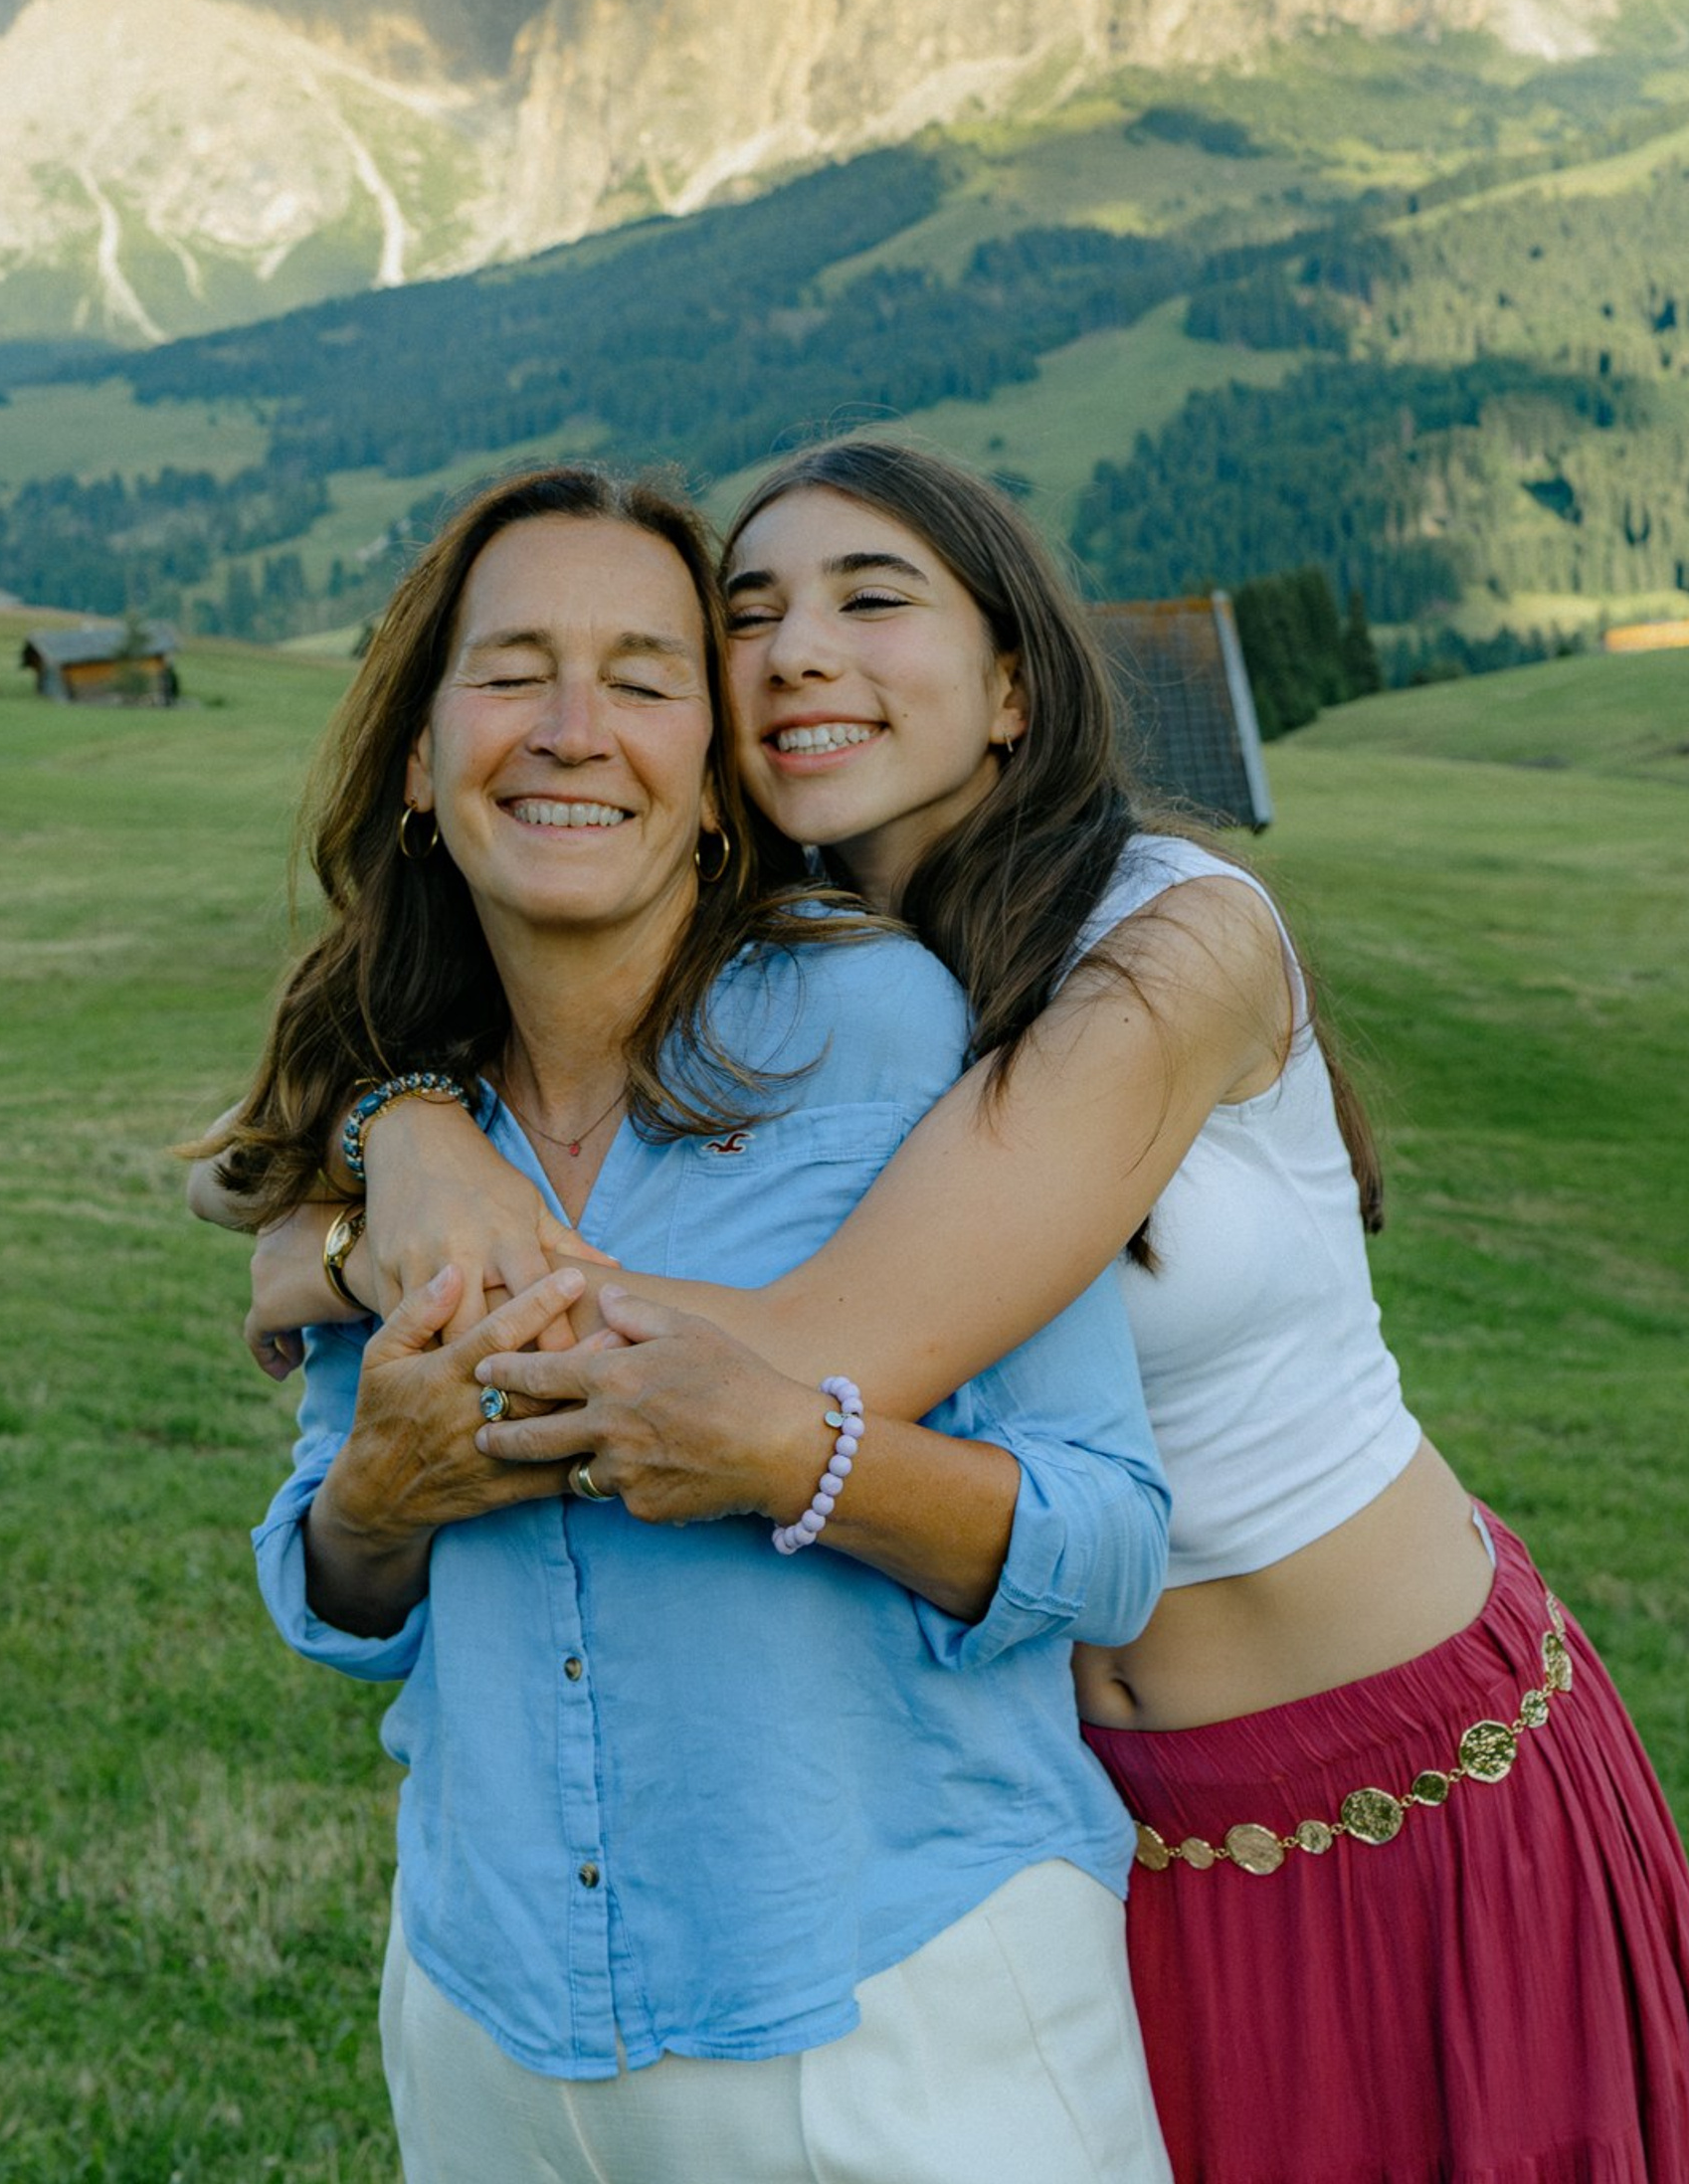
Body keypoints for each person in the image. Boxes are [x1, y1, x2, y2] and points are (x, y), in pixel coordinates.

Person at [250, 439, 1689, 2183]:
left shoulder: (1172, 942)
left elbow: (818, 1354)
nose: (795, 651)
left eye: (874, 599)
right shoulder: (813, 975)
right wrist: (380, 1147)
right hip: (1105, 1829)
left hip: (1399, 1775)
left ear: (1014, 684)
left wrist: (366, 1229)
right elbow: (275, 1154)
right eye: (752, 615)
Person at [208, 460, 1173, 2184]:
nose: (574, 730)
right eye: (511, 673)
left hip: (897, 2023)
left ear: (720, 790)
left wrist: (786, 1453)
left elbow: (1106, 1542)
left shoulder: (885, 1030)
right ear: (423, 761)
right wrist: (379, 1493)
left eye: (647, 681)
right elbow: (336, 1595)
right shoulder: (400, 1109)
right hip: (495, 2028)